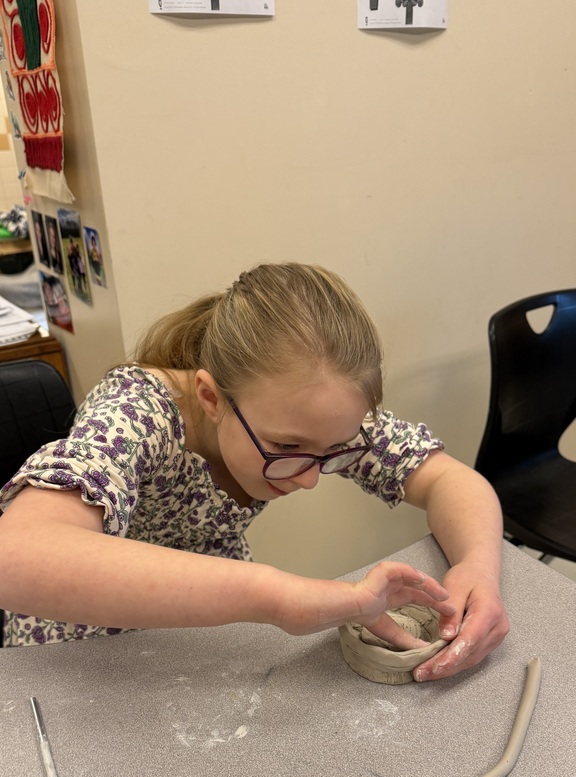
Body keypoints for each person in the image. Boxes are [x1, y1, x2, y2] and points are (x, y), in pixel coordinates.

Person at [0, 263, 508, 676]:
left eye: (331, 451)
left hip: (197, 637)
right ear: (210, 397)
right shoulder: (137, 412)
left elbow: (447, 478)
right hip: (70, 653)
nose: (309, 477)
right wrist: (277, 597)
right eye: (286, 446)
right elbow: (17, 556)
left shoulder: (315, 419)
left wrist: (478, 567)